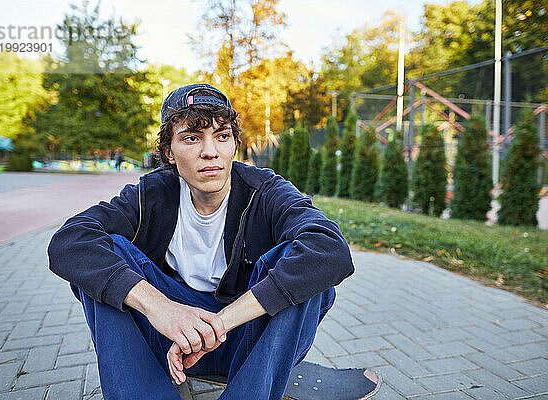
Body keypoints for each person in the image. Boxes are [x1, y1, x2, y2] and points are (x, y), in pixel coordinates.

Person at [47, 83, 354, 400]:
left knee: (307, 264)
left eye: (222, 136)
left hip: (248, 342)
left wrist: (218, 324)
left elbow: (331, 249)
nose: (211, 151)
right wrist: (162, 310)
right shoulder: (149, 194)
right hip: (171, 338)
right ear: (169, 150)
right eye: (192, 137)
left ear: (234, 144)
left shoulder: (265, 190)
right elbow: (69, 241)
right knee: (102, 255)